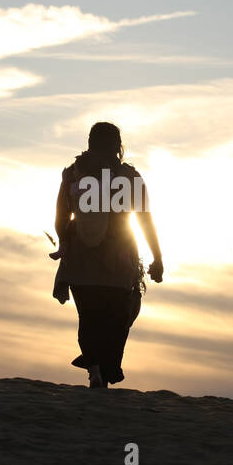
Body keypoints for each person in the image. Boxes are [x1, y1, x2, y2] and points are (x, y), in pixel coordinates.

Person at [52, 122, 164, 388]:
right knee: (117, 317)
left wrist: (64, 242)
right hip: (120, 258)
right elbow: (145, 219)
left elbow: (60, 218)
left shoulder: (72, 175)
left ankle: (93, 367)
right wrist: (157, 257)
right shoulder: (129, 177)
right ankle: (105, 365)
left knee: (88, 317)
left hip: (81, 258)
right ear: (118, 145)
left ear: (89, 142)